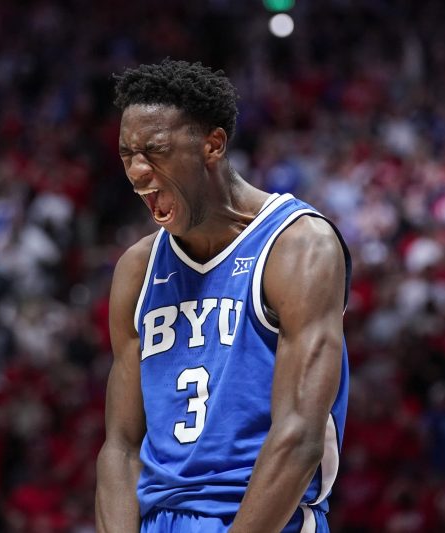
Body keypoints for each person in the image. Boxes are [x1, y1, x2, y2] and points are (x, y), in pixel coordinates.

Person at [95, 59, 351, 533]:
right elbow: (121, 447)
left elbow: (299, 435)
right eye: (127, 153)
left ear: (212, 145)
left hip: (264, 519)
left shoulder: (297, 245)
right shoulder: (137, 269)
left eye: (155, 150)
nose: (137, 170)